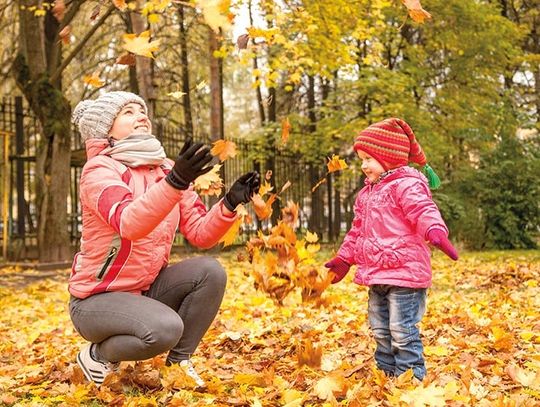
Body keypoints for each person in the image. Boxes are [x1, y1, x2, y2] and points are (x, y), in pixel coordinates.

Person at [68, 91, 260, 387]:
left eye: (141, 110)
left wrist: (230, 204)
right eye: (128, 112)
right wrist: (174, 183)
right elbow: (129, 222)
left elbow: (199, 233)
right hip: (96, 300)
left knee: (210, 272)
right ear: (106, 130)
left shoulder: (166, 169)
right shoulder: (99, 171)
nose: (140, 116)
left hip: (145, 291)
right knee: (164, 329)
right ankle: (98, 354)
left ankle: (178, 364)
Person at [324, 118, 458, 381]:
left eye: (368, 159)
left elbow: (423, 210)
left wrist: (435, 231)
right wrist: (344, 258)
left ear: (388, 157)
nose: (363, 165)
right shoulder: (367, 194)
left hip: (405, 275)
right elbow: (357, 230)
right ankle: (385, 377)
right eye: (361, 158)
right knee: (380, 330)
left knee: (402, 330)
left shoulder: (407, 185)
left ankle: (410, 380)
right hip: (377, 274)